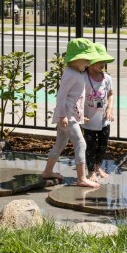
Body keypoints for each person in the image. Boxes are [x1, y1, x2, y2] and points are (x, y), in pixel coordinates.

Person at [42, 38, 101, 188]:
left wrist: (81, 116)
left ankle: (47, 171)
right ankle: (81, 178)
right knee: (80, 144)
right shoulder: (70, 74)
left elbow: (75, 99)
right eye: (85, 60)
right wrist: (63, 116)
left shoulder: (77, 73)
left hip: (70, 117)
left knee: (60, 144)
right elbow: (61, 96)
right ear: (75, 59)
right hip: (67, 117)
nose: (88, 63)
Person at [82, 43, 115, 181]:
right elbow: (78, 96)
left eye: (103, 61)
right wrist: (80, 114)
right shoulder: (82, 77)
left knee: (103, 145)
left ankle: (98, 166)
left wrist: (109, 109)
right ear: (89, 62)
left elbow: (111, 95)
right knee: (90, 147)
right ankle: (91, 172)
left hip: (103, 119)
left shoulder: (107, 78)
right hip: (88, 120)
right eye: (98, 61)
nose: (102, 64)